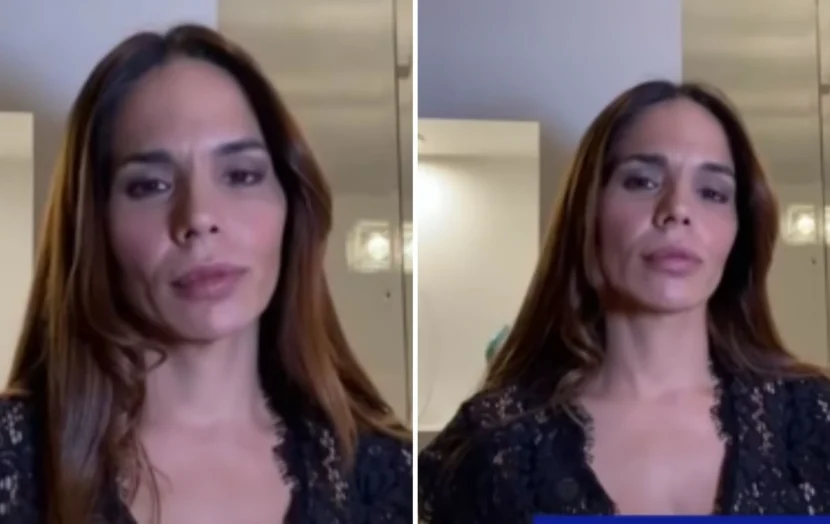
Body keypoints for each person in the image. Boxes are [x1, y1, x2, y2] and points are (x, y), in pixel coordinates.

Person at [0, 24, 411, 524]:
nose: (198, 216)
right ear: (94, 225)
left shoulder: (387, 476)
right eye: (150, 185)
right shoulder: (14, 464)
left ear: (291, 205)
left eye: (241, 175)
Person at [418, 80, 830, 521]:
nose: (677, 209)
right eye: (642, 181)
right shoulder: (491, 448)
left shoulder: (813, 420)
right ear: (588, 212)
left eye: (712, 192)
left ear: (739, 231)